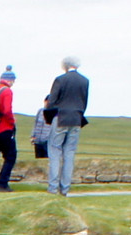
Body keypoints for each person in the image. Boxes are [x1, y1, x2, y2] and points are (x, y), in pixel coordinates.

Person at [43, 57, 90, 195]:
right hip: (76, 119)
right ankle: (65, 188)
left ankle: (52, 188)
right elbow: (84, 102)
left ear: (65, 66)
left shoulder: (60, 79)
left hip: (61, 118)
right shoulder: (85, 81)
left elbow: (51, 101)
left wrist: (49, 115)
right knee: (69, 154)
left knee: (55, 152)